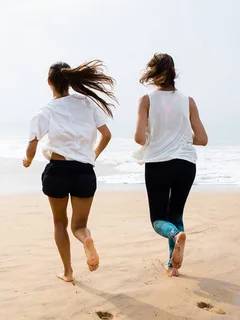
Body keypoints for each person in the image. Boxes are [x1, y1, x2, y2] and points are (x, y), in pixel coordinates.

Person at [23, 60, 116, 283]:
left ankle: (68, 272)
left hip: (58, 171)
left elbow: (33, 143)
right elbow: (106, 135)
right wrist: (91, 157)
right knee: (80, 226)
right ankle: (86, 240)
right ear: (70, 81)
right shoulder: (86, 103)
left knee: (59, 223)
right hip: (84, 171)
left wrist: (27, 159)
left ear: (49, 83)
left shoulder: (45, 111)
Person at [133, 53, 208, 277]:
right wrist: (180, 137)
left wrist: (158, 137)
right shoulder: (189, 101)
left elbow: (138, 138)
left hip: (158, 163)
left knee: (158, 219)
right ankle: (173, 267)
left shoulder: (146, 100)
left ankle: (175, 236)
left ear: (153, 74)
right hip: (185, 163)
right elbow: (202, 139)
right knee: (176, 213)